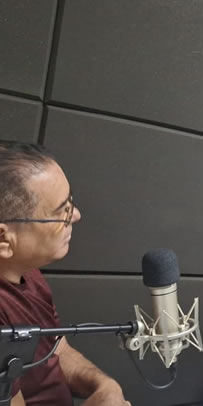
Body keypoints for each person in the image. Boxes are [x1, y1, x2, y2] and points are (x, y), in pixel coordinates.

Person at [0, 141, 130, 406]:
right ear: (4, 239)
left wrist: (104, 386)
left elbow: (55, 348)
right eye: (63, 211)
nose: (77, 215)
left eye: (71, 203)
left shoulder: (28, 272)